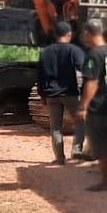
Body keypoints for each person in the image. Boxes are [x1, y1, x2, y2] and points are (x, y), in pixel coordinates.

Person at [77, 18, 107, 192]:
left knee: (100, 145)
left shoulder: (94, 55)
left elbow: (92, 82)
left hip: (97, 107)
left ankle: (106, 182)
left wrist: (83, 107)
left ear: (88, 34)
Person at [37, 20, 86, 164]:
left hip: (51, 95)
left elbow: (40, 76)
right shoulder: (74, 50)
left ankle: (59, 158)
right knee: (80, 122)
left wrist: (42, 95)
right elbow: (83, 67)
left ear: (55, 34)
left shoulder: (45, 52)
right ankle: (77, 150)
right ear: (69, 34)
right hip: (70, 93)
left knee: (55, 128)